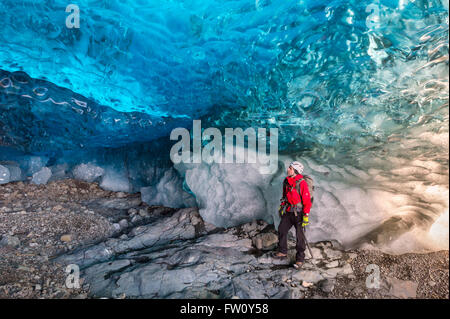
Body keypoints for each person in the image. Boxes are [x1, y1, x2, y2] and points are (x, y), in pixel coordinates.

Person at [272, 161, 312, 269]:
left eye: (290, 168)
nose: (288, 169)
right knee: (282, 229)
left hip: (299, 213)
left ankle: (300, 259)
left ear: (295, 170)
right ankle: (282, 251)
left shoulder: (302, 183)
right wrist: (282, 206)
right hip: (289, 211)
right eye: (289, 168)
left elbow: (307, 201)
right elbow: (285, 196)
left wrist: (306, 215)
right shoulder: (286, 181)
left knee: (300, 237)